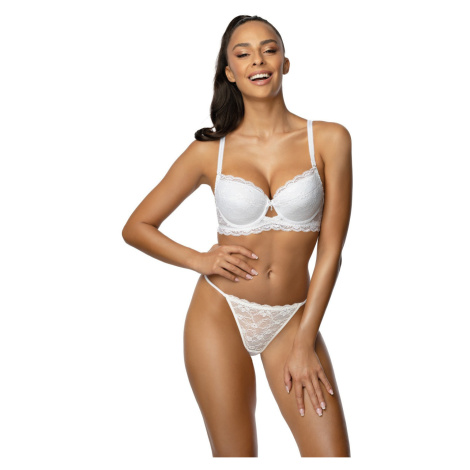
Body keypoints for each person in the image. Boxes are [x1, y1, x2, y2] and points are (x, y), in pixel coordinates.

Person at [122, 14, 352, 457]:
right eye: (243, 54)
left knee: (332, 458)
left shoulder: (329, 139)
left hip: (293, 317)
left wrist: (305, 340)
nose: (258, 61)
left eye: (269, 49)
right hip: (219, 312)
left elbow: (331, 251)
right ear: (230, 72)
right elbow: (137, 227)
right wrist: (201, 259)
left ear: (285, 63)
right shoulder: (209, 151)